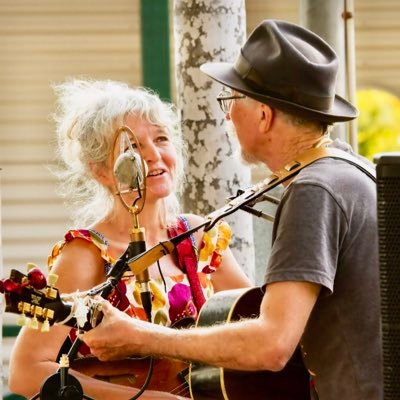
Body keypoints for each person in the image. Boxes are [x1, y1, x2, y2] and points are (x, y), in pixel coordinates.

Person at [82, 19, 383, 400]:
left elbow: (272, 345)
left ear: (263, 115)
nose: (227, 117)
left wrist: (141, 337)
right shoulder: (352, 171)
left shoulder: (313, 190)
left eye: (231, 101)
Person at [8, 79, 251, 400]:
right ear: (101, 172)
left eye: (161, 138)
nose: (153, 155)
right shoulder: (87, 253)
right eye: (132, 148)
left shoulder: (199, 238)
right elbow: (25, 373)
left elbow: (256, 328)